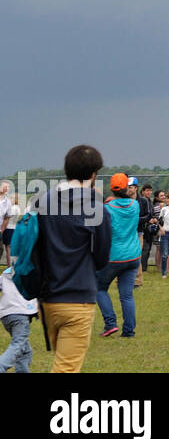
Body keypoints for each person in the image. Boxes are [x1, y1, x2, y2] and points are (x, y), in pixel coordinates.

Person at [31, 145, 113, 372]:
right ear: (94, 174)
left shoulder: (42, 202)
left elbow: (34, 246)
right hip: (78, 297)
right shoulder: (95, 206)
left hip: (47, 298)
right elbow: (102, 257)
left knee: (62, 360)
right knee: (66, 368)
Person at [96, 172, 141, 338]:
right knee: (127, 295)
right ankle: (129, 331)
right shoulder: (135, 205)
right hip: (133, 255)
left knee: (99, 288)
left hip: (114, 256)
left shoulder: (106, 209)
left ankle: (110, 323)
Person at [0, 265, 37, 373]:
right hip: (20, 313)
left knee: (26, 352)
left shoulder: (8, 271)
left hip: (6, 315)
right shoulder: (33, 269)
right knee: (18, 344)